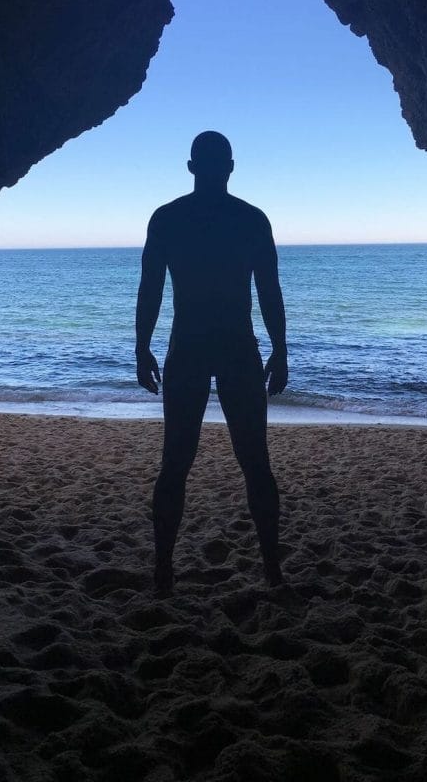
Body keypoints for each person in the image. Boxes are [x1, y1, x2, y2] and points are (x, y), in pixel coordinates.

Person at [136, 131, 288, 595]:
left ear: (191, 167)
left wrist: (142, 346)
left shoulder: (168, 219)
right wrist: (280, 347)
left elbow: (151, 290)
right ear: (230, 167)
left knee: (175, 461)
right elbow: (268, 290)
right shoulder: (250, 220)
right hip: (238, 346)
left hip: (188, 346)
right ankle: (272, 571)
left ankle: (164, 572)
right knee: (255, 462)